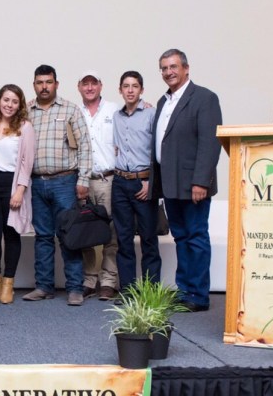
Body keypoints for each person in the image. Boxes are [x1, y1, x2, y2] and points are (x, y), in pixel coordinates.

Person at [153, 49, 222, 312]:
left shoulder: (204, 98)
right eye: (164, 68)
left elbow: (209, 143)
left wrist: (201, 182)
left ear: (186, 68)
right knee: (181, 238)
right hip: (170, 183)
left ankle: (199, 295)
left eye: (173, 66)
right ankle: (184, 291)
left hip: (193, 184)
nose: (168, 72)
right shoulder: (163, 101)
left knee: (196, 237)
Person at [22, 65, 92, 306]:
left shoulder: (70, 110)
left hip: (65, 181)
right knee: (42, 236)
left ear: (56, 84)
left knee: (68, 235)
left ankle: (75, 288)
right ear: (34, 85)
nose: (44, 87)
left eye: (48, 82)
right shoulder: (26, 111)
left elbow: (85, 147)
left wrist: (83, 180)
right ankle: (44, 286)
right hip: (36, 183)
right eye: (39, 82)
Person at [0, 84, 35, 304]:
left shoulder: (25, 127)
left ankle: (8, 284)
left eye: (14, 101)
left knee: (11, 234)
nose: (9, 105)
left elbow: (27, 162)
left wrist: (20, 190)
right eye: (6, 100)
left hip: (12, 185)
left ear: (20, 105)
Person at [111, 71, 161, 291]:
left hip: (144, 183)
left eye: (135, 86)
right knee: (123, 239)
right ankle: (128, 290)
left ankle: (151, 291)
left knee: (148, 238)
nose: (130, 90)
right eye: (126, 86)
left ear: (142, 90)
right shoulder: (116, 117)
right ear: (120, 90)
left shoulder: (151, 114)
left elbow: (158, 151)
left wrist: (151, 182)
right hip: (120, 182)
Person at [77, 70, 120, 301]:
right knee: (86, 232)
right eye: (85, 84)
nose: (90, 87)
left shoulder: (114, 110)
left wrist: (146, 105)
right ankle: (89, 280)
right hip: (83, 181)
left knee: (111, 233)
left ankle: (108, 281)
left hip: (108, 180)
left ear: (101, 86)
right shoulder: (75, 112)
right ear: (79, 87)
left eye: (94, 83)